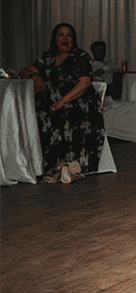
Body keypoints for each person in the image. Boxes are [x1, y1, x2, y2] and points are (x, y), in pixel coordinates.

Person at [19, 23, 105, 183]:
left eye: (69, 35)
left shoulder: (80, 56)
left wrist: (60, 102)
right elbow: (24, 70)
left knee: (65, 111)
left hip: (78, 102)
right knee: (36, 112)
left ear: (74, 39)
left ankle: (68, 164)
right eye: (61, 35)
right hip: (53, 102)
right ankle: (51, 164)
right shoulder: (48, 57)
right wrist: (33, 76)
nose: (65, 38)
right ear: (55, 38)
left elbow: (85, 83)